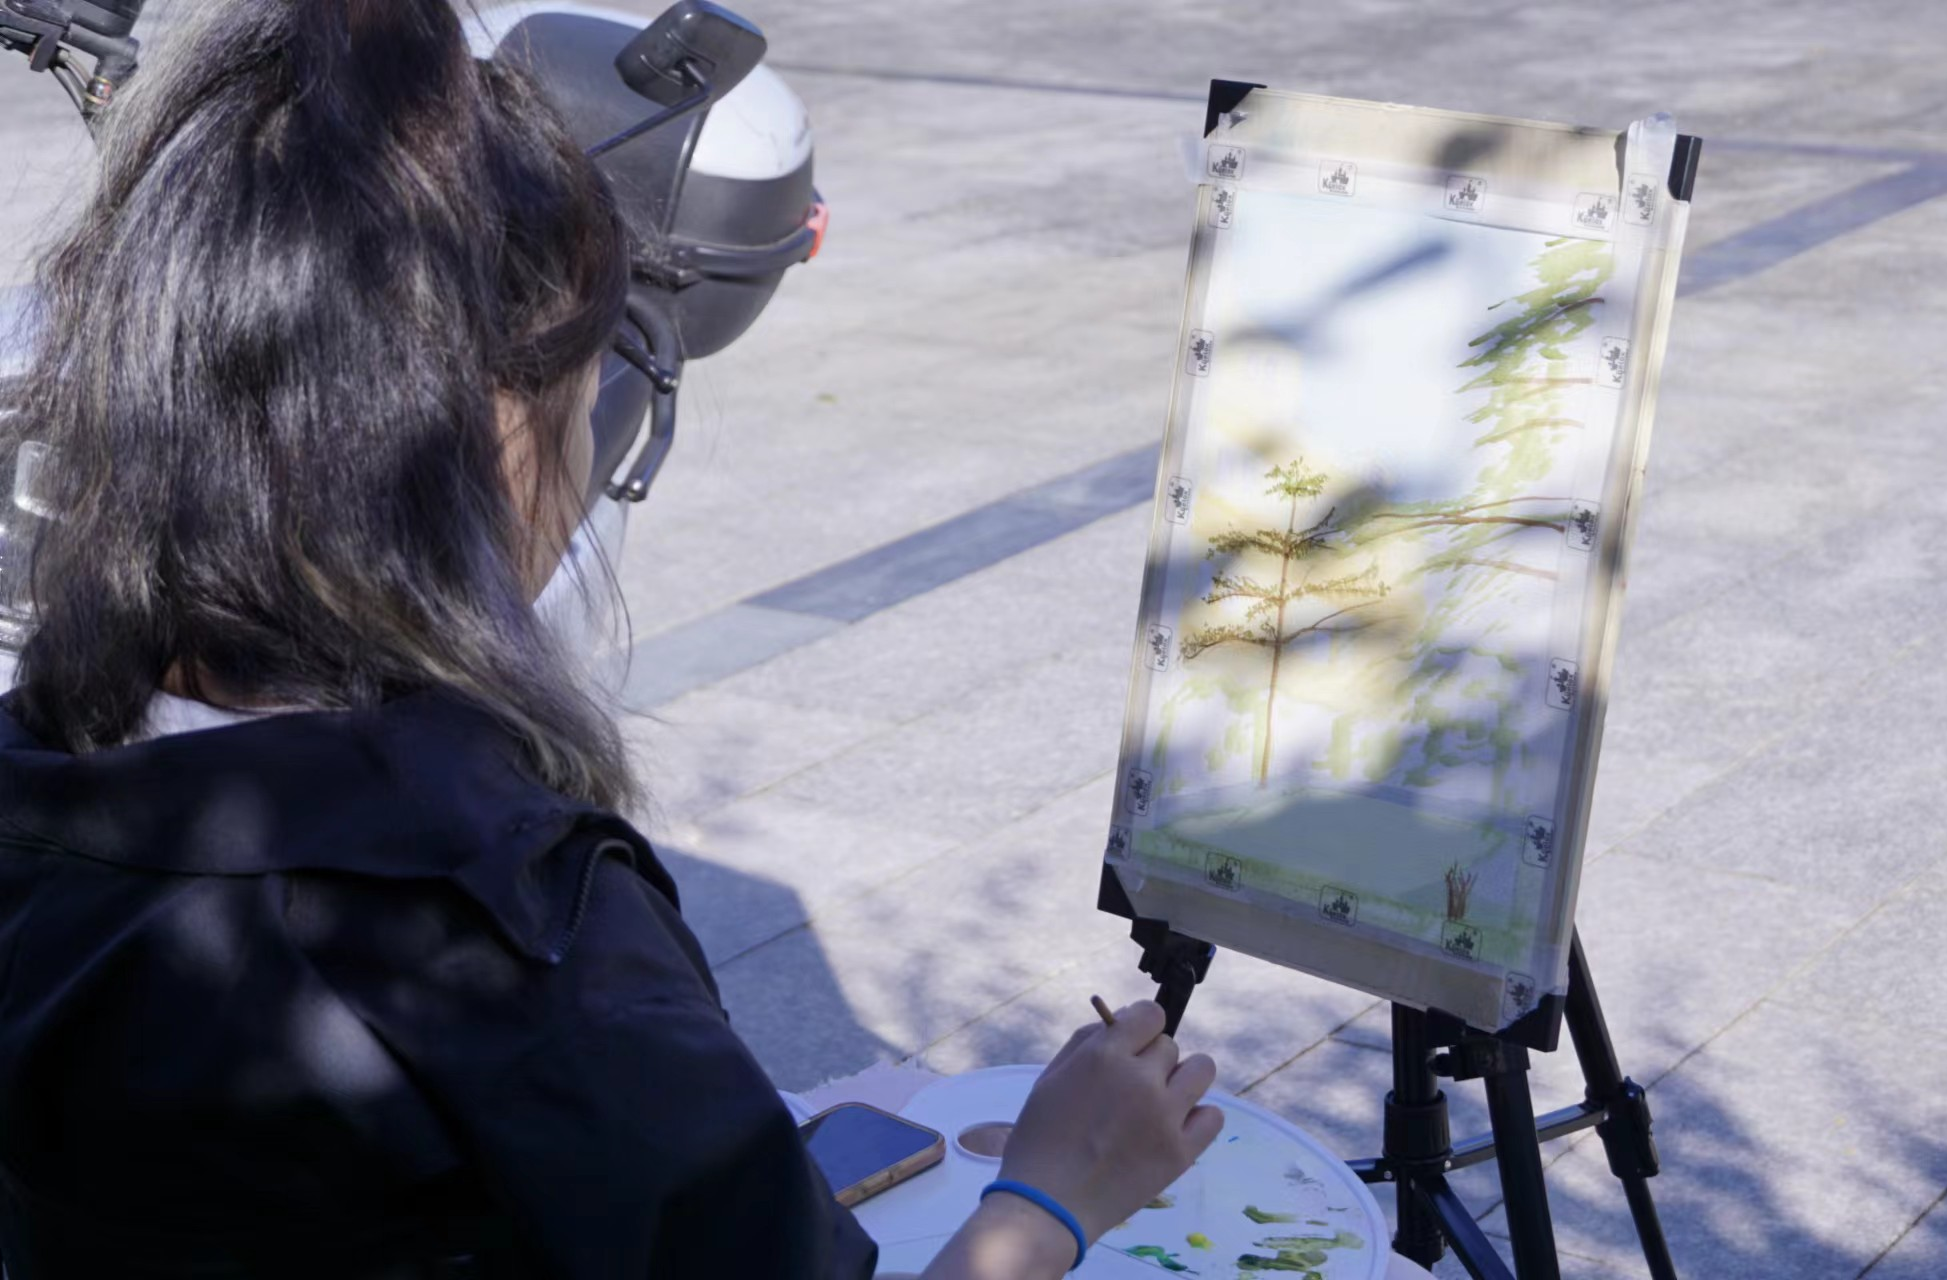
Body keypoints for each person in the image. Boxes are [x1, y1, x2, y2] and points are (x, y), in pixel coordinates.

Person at [0, 2, 1220, 1276]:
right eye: (583, 401)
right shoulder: (510, 924)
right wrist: (1053, 1193)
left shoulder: (37, 769)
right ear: (487, 432)